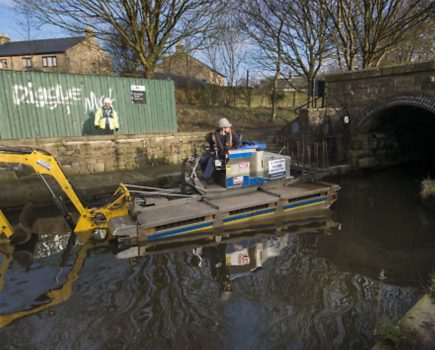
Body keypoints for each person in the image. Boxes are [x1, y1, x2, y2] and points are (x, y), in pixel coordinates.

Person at [200, 118, 241, 184]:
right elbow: (209, 144)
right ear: (223, 128)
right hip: (216, 154)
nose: (229, 128)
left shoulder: (231, 133)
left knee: (212, 161)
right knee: (203, 159)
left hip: (226, 155)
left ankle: (205, 179)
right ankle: (210, 178)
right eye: (228, 127)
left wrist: (231, 150)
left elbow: (238, 143)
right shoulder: (214, 135)